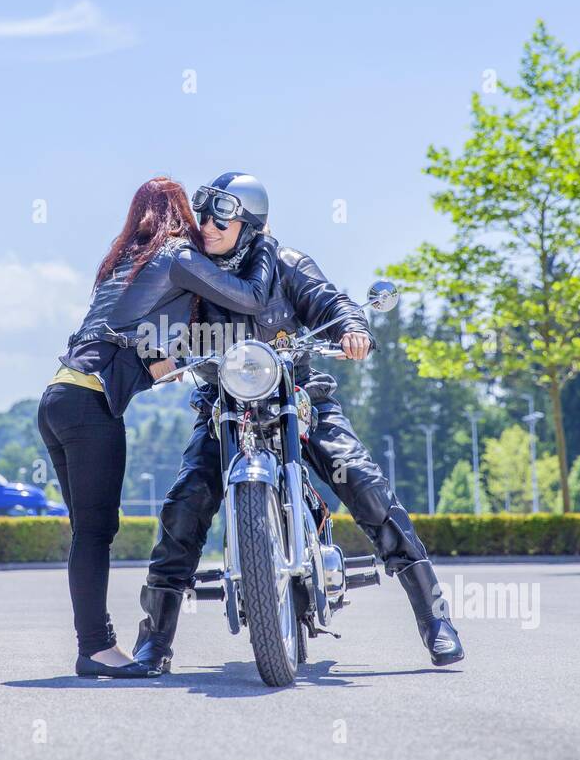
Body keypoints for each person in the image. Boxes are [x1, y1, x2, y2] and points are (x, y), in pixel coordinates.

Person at [133, 171, 464, 673]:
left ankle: (434, 616)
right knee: (185, 505)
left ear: (249, 221)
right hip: (225, 406)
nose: (207, 224)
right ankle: (155, 641)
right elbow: (165, 326)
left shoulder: (287, 264)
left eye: (220, 215)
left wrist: (352, 326)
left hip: (298, 397)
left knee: (363, 482)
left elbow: (330, 303)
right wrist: (157, 349)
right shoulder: (193, 273)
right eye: (204, 214)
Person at [38, 176, 277, 678]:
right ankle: (96, 649)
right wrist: (263, 239)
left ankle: (94, 646)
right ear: (179, 216)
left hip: (57, 399)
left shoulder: (124, 265)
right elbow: (251, 299)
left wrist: (177, 358)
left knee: (87, 531)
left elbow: (146, 353)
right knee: (97, 533)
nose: (203, 223)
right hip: (90, 407)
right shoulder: (175, 256)